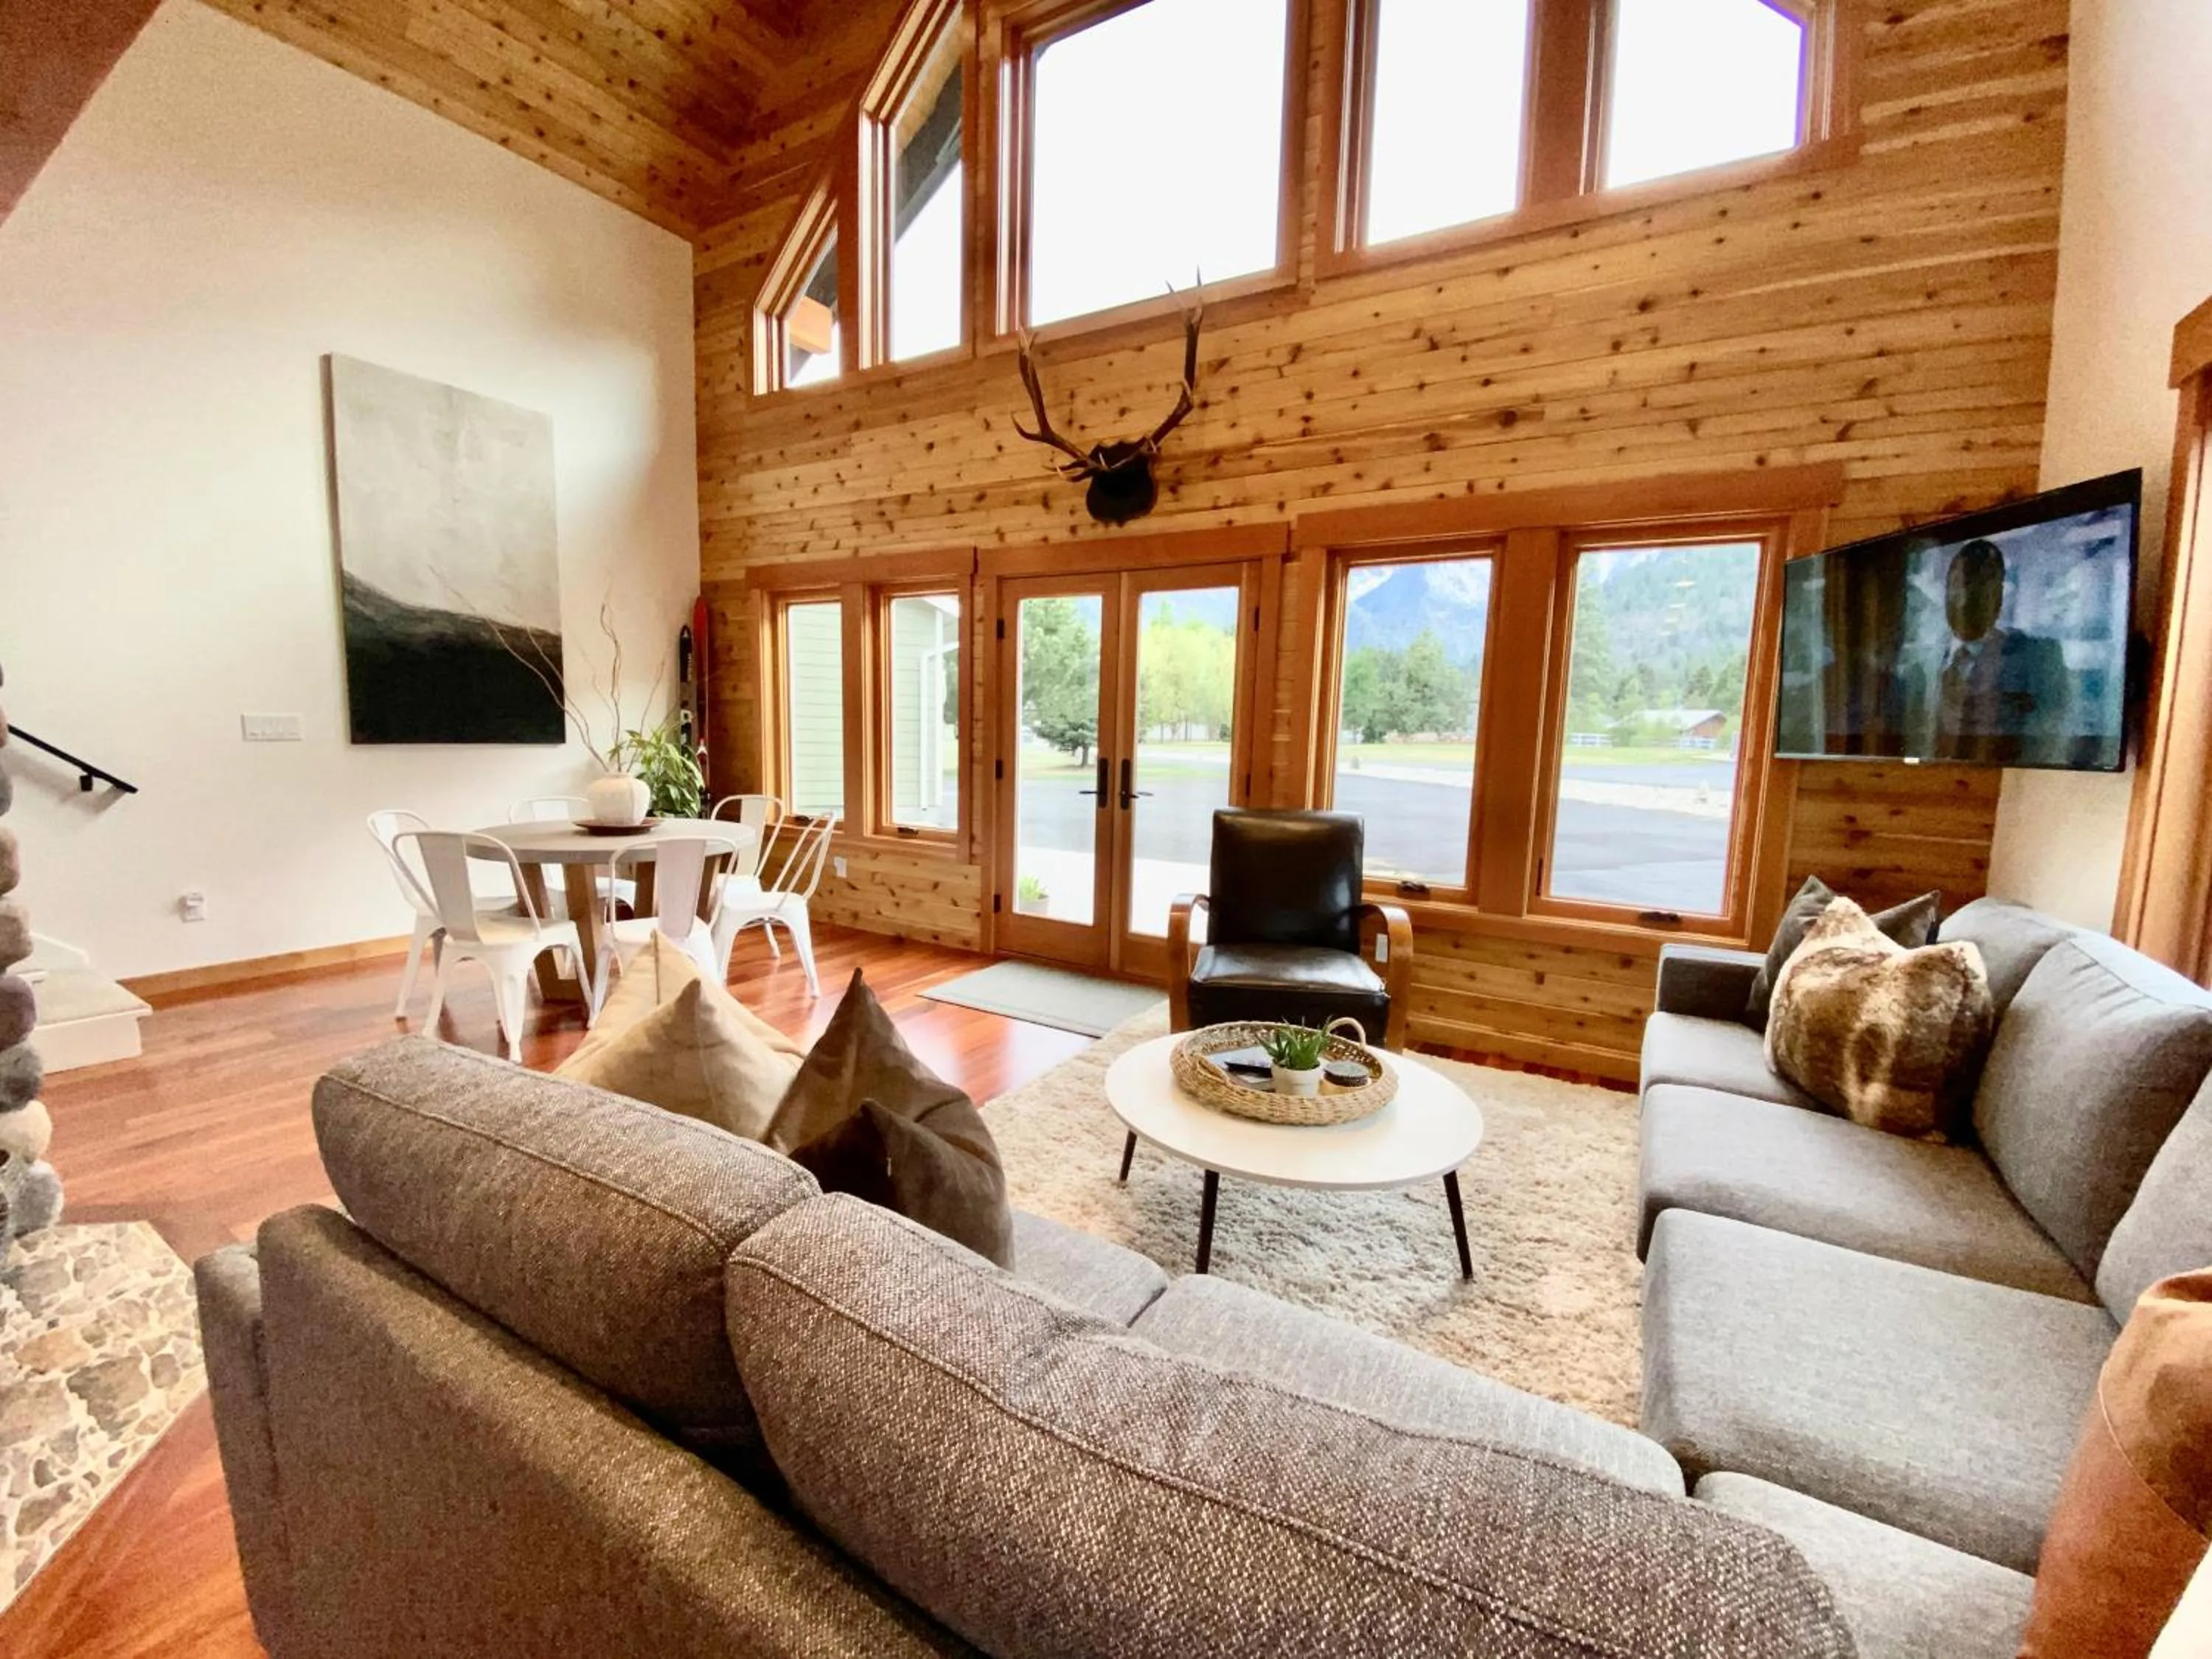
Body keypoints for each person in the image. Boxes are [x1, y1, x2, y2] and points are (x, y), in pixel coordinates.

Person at [1927, 538, 2070, 763]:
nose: (1965, 598)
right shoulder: (1924, 662)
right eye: (1959, 584)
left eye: (1983, 585)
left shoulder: (2039, 657)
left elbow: (2049, 741)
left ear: (2000, 595)